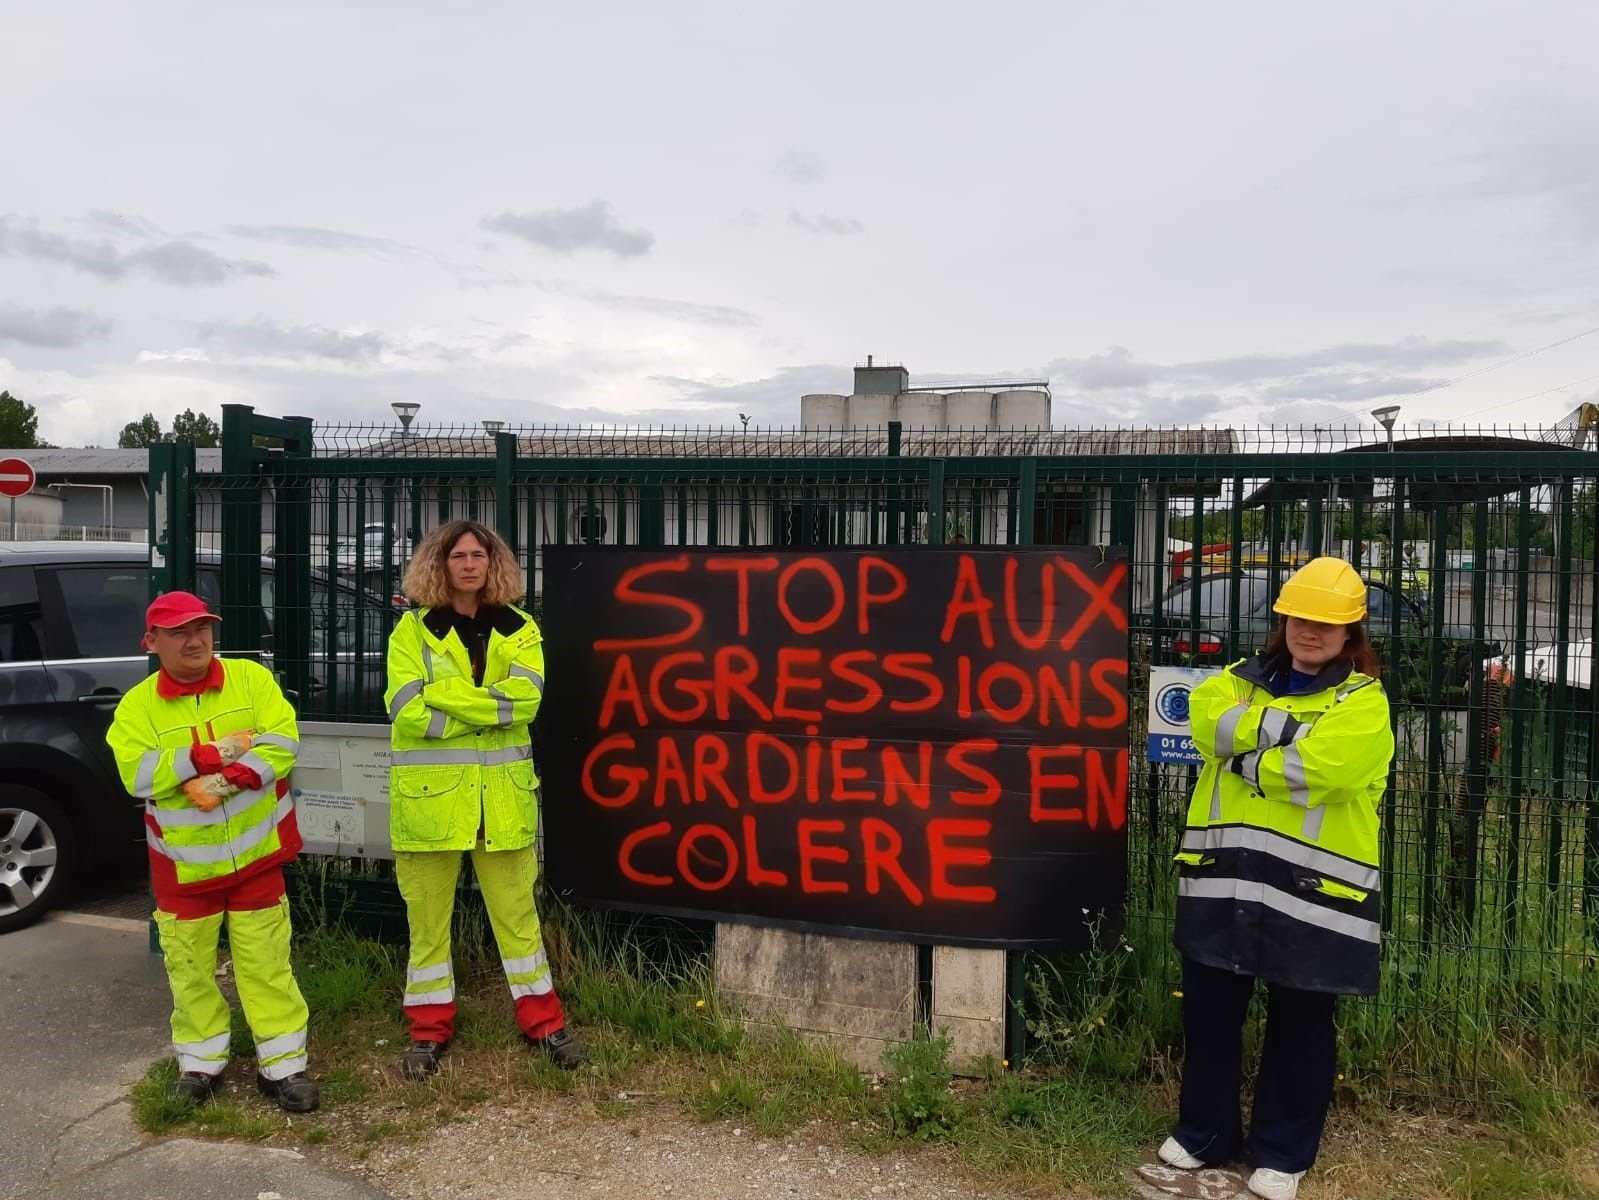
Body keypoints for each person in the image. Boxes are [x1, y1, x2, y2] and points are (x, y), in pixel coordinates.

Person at [1151, 557, 1394, 1200]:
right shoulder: (1230, 680)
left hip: (1314, 896)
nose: (1309, 631)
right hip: (1223, 880)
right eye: (1299, 618)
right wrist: (1292, 734)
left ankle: (1283, 1153)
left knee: (1302, 1023)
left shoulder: (1363, 704)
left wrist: (1247, 755)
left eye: (1326, 622)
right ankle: (1206, 1133)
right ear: (1282, 619)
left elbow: (1328, 770)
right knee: (1209, 1013)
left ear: (1350, 633)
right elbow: (1207, 722)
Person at [384, 519, 584, 1079]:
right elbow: (406, 709)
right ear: (439, 565)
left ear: (494, 564)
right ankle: (427, 1032)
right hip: (431, 805)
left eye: (479, 555)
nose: (469, 564)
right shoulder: (412, 631)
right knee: (427, 926)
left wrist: (446, 700)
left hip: (501, 804)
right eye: (458, 556)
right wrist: (485, 705)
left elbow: (524, 703)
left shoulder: (522, 628)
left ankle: (545, 1025)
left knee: (519, 921)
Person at [106, 591, 319, 1113]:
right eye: (178, 632)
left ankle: (284, 1064)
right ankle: (201, 1063)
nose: (195, 639)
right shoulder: (137, 707)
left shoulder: (252, 680)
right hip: (183, 867)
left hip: (256, 857)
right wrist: (207, 754)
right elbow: (136, 776)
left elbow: (284, 740)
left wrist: (229, 777)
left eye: (202, 627)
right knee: (190, 967)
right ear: (151, 643)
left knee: (267, 962)